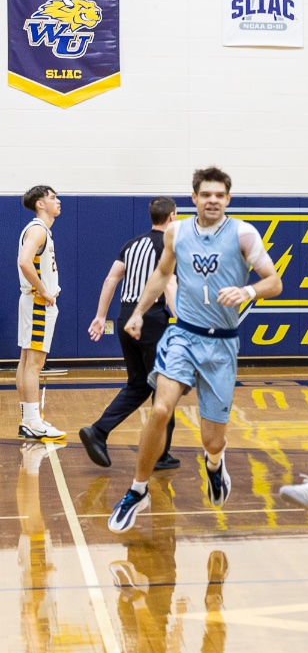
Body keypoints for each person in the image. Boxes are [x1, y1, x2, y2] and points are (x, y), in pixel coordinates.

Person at [107, 167, 284, 533]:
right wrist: (138, 312)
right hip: (183, 336)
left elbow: (274, 281)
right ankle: (138, 491)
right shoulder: (177, 232)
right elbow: (161, 274)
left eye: (219, 195)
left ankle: (215, 464)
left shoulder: (243, 234)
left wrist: (248, 291)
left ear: (228, 199)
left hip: (221, 344)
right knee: (160, 409)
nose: (213, 200)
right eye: (206, 194)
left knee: (212, 439)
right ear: (194, 198)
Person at [80, 197, 181, 470]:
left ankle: (98, 431)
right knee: (165, 387)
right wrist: (182, 320)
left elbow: (111, 279)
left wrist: (100, 317)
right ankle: (158, 454)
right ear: (172, 216)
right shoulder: (169, 245)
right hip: (152, 319)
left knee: (139, 384)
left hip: (126, 317)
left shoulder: (131, 245)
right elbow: (169, 284)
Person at [15, 186, 66, 441]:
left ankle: (28, 420)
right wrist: (45, 291)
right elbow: (24, 262)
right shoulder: (38, 230)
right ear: (40, 204)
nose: (58, 201)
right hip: (37, 302)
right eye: (53, 197)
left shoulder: (40, 230)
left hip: (31, 300)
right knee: (34, 364)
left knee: (26, 361)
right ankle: (34, 422)